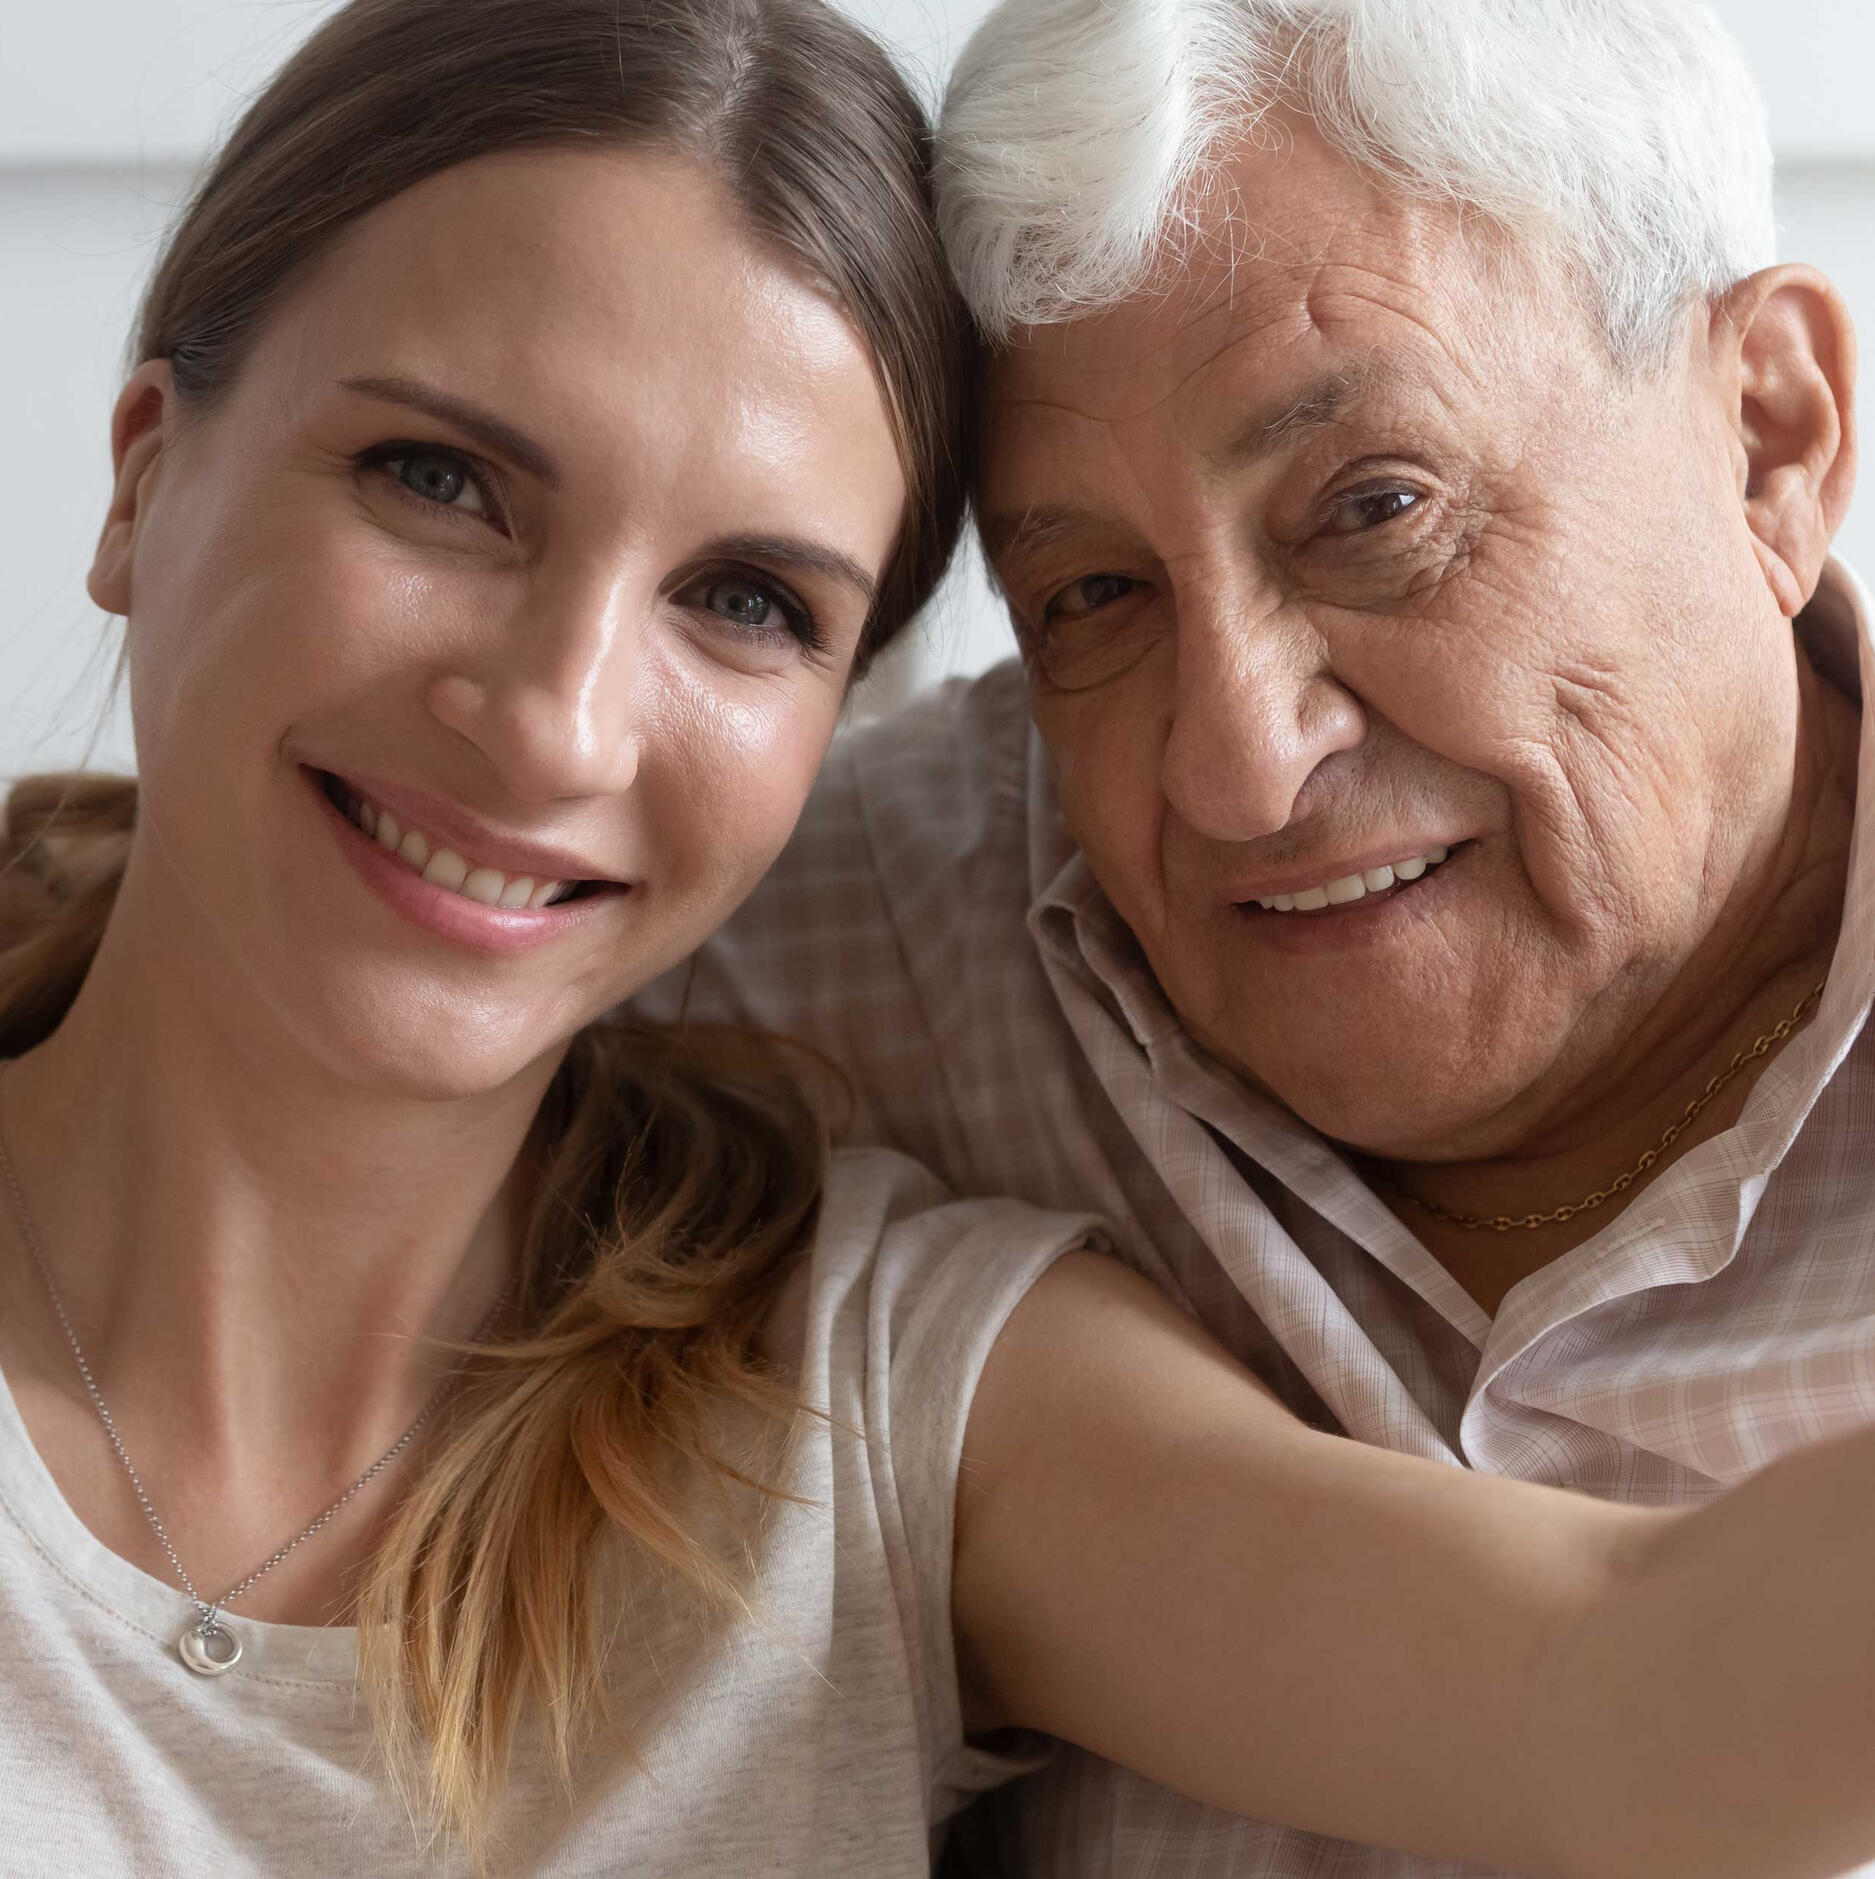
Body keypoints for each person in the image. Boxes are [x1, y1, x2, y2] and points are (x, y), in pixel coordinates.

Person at [9, 0, 1875, 1875]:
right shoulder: (874, 909)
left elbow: (1634, 1692)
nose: (562, 730)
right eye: (440, 480)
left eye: (744, 598)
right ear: (143, 468)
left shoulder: (872, 1394)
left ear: (1774, 438)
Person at [647, 0, 1875, 1873]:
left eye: (1377, 508)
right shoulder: (834, 938)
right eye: (1092, 594)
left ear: (1771, 437)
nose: (1236, 765)